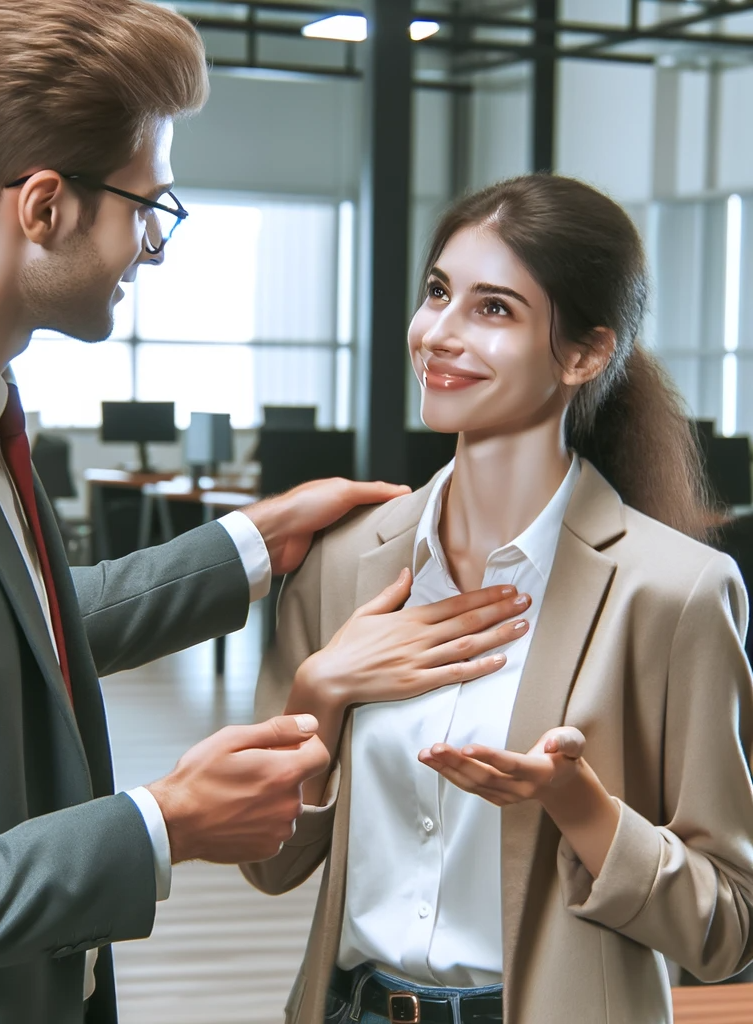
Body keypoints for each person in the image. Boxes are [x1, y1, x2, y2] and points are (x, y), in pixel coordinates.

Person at [0, 3, 530, 1022]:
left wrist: (253, 541)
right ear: (44, 208)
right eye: (147, 205)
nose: (153, 245)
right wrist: (158, 825)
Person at [245, 174, 753, 1024]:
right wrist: (318, 696)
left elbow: (728, 926)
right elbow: (267, 862)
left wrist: (581, 808)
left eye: (494, 309)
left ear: (584, 354)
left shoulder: (677, 593)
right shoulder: (342, 563)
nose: (438, 335)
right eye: (439, 292)